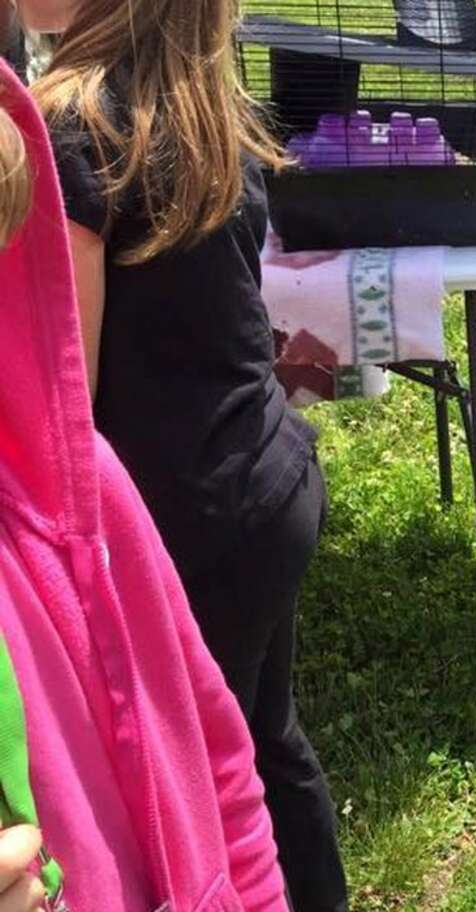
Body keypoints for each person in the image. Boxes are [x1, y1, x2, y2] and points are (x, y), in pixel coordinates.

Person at [20, 0, 348, 904]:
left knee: (193, 777)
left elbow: (63, 391)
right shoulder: (198, 103)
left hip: (187, 518)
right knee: (264, 743)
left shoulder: (68, 119)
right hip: (264, 479)